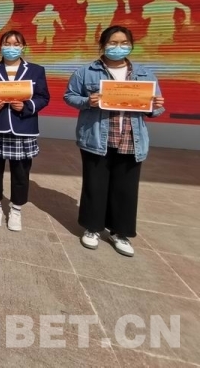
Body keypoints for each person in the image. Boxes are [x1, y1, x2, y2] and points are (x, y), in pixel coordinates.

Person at [64, 25, 165, 257]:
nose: (118, 47)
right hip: (96, 137)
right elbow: (70, 96)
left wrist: (155, 106)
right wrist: (88, 101)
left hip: (131, 138)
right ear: (103, 44)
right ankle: (92, 228)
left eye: (123, 43)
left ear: (131, 45)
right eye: (113, 43)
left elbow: (156, 108)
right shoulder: (86, 72)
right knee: (95, 184)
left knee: (126, 188)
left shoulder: (144, 74)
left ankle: (120, 233)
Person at [0, 30, 50, 231]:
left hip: (23, 128)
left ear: (23, 47)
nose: (11, 48)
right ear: (0, 47)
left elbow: (43, 97)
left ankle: (16, 209)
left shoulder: (36, 70)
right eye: (7, 44)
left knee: (21, 173)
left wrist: (27, 106)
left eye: (16, 44)